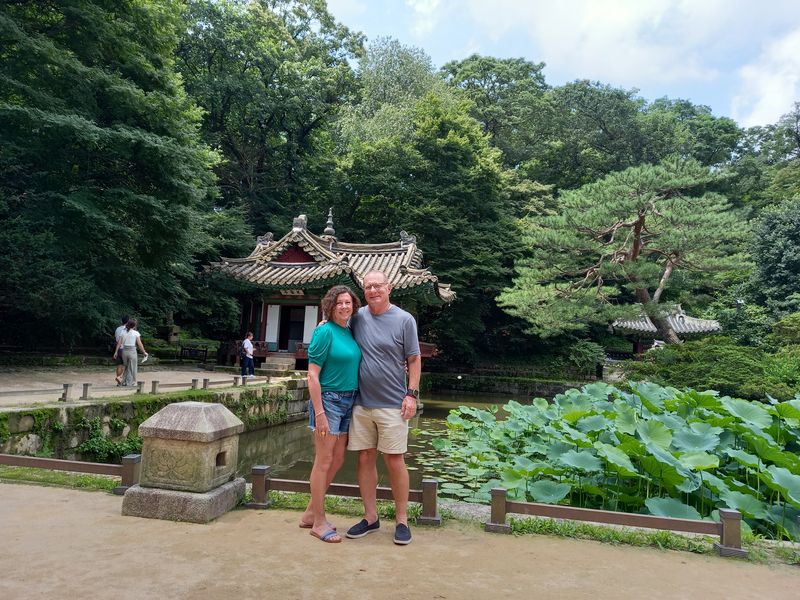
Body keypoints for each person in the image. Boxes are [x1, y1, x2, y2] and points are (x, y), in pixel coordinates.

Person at [345, 269, 420, 546]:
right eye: (368, 287)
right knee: (365, 457)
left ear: (389, 288)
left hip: (393, 402)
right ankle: (370, 516)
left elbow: (413, 359)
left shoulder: (404, 319)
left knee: (394, 459)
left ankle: (402, 519)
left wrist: (411, 394)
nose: (373, 290)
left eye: (378, 286)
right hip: (362, 402)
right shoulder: (357, 317)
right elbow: (337, 330)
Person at [301, 285, 362, 543]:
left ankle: (309, 514)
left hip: (350, 400)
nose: (344, 307)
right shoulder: (324, 331)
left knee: (337, 460)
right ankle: (319, 522)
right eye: (339, 303)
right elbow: (312, 374)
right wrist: (320, 412)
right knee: (323, 460)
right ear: (330, 305)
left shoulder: (349, 331)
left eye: (348, 303)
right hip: (329, 400)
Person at [113, 319, 147, 387]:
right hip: (132, 351)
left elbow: (119, 343)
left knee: (127, 367)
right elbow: (139, 344)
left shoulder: (123, 332)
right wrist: (144, 352)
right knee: (132, 367)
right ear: (134, 326)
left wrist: (116, 352)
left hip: (124, 351)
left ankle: (123, 381)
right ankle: (131, 382)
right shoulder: (135, 333)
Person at [113, 315, 129, 385]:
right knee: (125, 366)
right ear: (128, 321)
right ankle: (122, 379)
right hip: (125, 348)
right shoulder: (128, 329)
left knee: (119, 365)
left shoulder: (117, 329)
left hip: (118, 348)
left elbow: (116, 339)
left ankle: (118, 380)